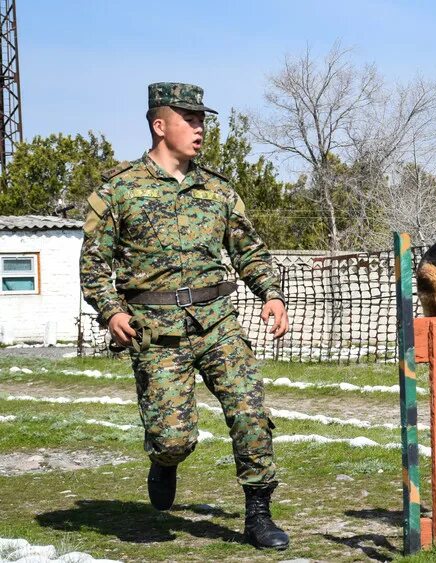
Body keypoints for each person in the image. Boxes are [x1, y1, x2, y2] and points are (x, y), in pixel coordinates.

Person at [80, 82, 291, 550]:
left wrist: (271, 294)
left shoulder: (217, 190)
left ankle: (258, 514)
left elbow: (249, 251)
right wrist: (112, 311)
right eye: (189, 120)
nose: (199, 129)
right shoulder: (118, 191)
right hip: (156, 334)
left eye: (202, 121)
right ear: (160, 125)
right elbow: (93, 266)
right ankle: (164, 459)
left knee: (250, 413)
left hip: (218, 324)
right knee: (175, 438)